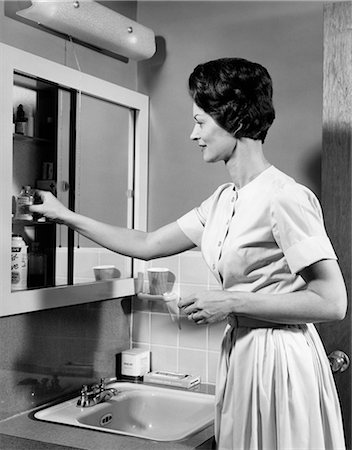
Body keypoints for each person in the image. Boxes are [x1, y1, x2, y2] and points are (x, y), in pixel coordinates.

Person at [30, 58, 347, 450]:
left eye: (200, 122)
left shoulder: (286, 198)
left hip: (280, 359)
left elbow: (332, 302)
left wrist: (228, 300)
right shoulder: (220, 201)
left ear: (233, 119)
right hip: (242, 352)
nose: (192, 134)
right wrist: (64, 215)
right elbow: (145, 245)